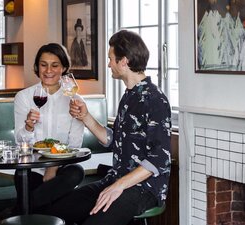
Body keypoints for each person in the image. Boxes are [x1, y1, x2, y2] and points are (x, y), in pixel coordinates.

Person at [37, 30, 172, 225]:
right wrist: (85, 116)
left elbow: (160, 159)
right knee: (56, 214)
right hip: (115, 179)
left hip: (144, 188)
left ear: (123, 61)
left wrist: (118, 186)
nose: (109, 64)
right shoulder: (129, 96)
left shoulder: (155, 100)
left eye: (111, 59)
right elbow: (113, 141)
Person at [12, 43, 85, 212]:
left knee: (76, 172)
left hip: (63, 166)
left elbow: (75, 143)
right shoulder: (24, 97)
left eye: (55, 65)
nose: (48, 70)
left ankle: (18, 210)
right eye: (43, 65)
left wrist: (52, 167)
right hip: (32, 164)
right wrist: (28, 126)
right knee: (24, 177)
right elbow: (19, 141)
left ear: (64, 68)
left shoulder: (75, 101)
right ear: (37, 67)